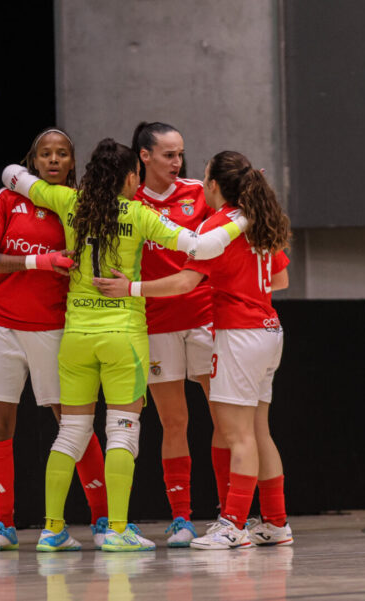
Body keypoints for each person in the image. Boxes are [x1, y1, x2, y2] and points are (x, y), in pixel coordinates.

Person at [0, 138, 247, 552]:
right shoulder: (140, 215)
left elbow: (12, 173)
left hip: (76, 337)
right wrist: (243, 218)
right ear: (131, 176)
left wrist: (19, 174)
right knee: (122, 433)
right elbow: (201, 247)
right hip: (124, 338)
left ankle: (52, 530)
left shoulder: (69, 203)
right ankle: (116, 531)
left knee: (71, 434)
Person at [94, 150, 294, 550]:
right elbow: (282, 279)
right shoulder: (259, 220)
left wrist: (131, 287)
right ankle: (275, 522)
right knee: (258, 430)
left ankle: (233, 525)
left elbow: (184, 283)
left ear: (216, 186)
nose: (201, 185)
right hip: (270, 329)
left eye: (205, 179)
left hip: (240, 334)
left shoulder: (221, 224)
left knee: (237, 434)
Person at [0, 128, 109, 552]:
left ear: (72, 162)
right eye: (45, 154)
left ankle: (103, 520)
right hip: (0, 326)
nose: (53, 160)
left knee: (74, 423)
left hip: (55, 329)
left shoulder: (78, 207)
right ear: (33, 160)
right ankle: (3, 525)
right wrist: (39, 261)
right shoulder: (8, 200)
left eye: (61, 153)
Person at [131, 122, 218, 547]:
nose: (176, 162)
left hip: (204, 317)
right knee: (174, 421)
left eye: (180, 153)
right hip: (155, 324)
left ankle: (230, 516)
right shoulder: (129, 200)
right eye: (168, 154)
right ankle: (181, 519)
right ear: (144, 156)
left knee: (224, 416)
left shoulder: (199, 193)